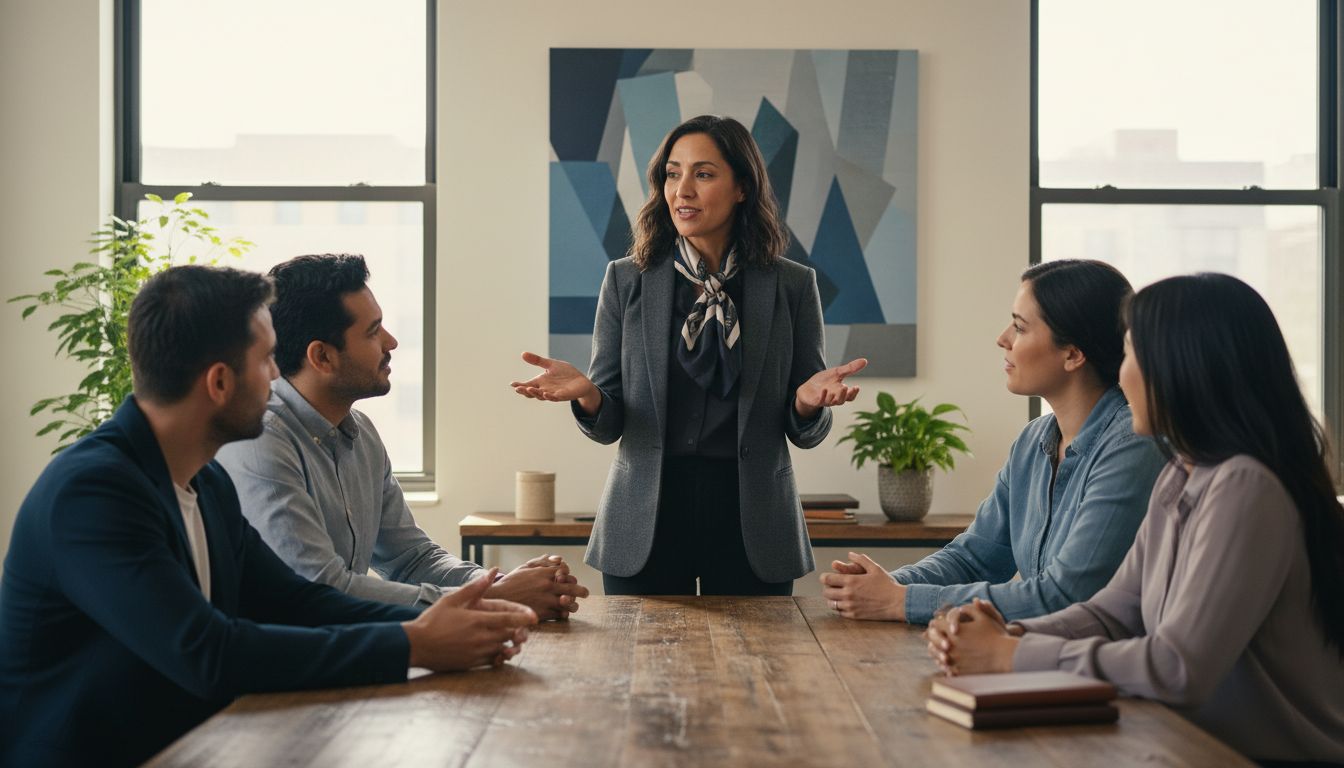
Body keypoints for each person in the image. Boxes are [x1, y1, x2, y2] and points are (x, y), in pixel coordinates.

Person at [0, 266, 537, 768]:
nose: (278, 376)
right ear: (218, 383)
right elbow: (208, 653)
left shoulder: (203, 480)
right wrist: (414, 644)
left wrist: (448, 624)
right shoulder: (94, 493)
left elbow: (295, 600)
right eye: (266, 360)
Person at [925, 274, 1344, 764]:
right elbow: (1114, 612)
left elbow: (1176, 667)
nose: (1119, 377)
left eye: (1128, 356)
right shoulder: (1181, 477)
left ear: (1181, 369)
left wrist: (1010, 655)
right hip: (1185, 747)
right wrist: (1010, 635)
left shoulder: (1246, 487)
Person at [512, 114, 867, 595]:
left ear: (742, 187)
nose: (683, 190)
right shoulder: (626, 280)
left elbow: (805, 428)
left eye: (703, 174)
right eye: (672, 174)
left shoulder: (791, 285)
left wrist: (806, 404)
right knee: (637, 669)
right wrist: (590, 397)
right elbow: (611, 422)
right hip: (647, 518)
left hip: (752, 520)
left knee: (761, 670)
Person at [217, 254, 588, 619]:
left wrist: (509, 584)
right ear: (322, 357)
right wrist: (492, 595)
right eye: (372, 331)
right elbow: (320, 587)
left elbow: (412, 558)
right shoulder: (261, 439)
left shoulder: (362, 433)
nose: (391, 342)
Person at [821, 260, 1165, 624]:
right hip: (1037, 658)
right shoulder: (1033, 441)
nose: (1003, 339)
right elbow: (975, 558)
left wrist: (899, 601)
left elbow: (1065, 597)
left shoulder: (1132, 444)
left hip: (1100, 669)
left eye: (1019, 327)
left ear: (1073, 354)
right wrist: (885, 585)